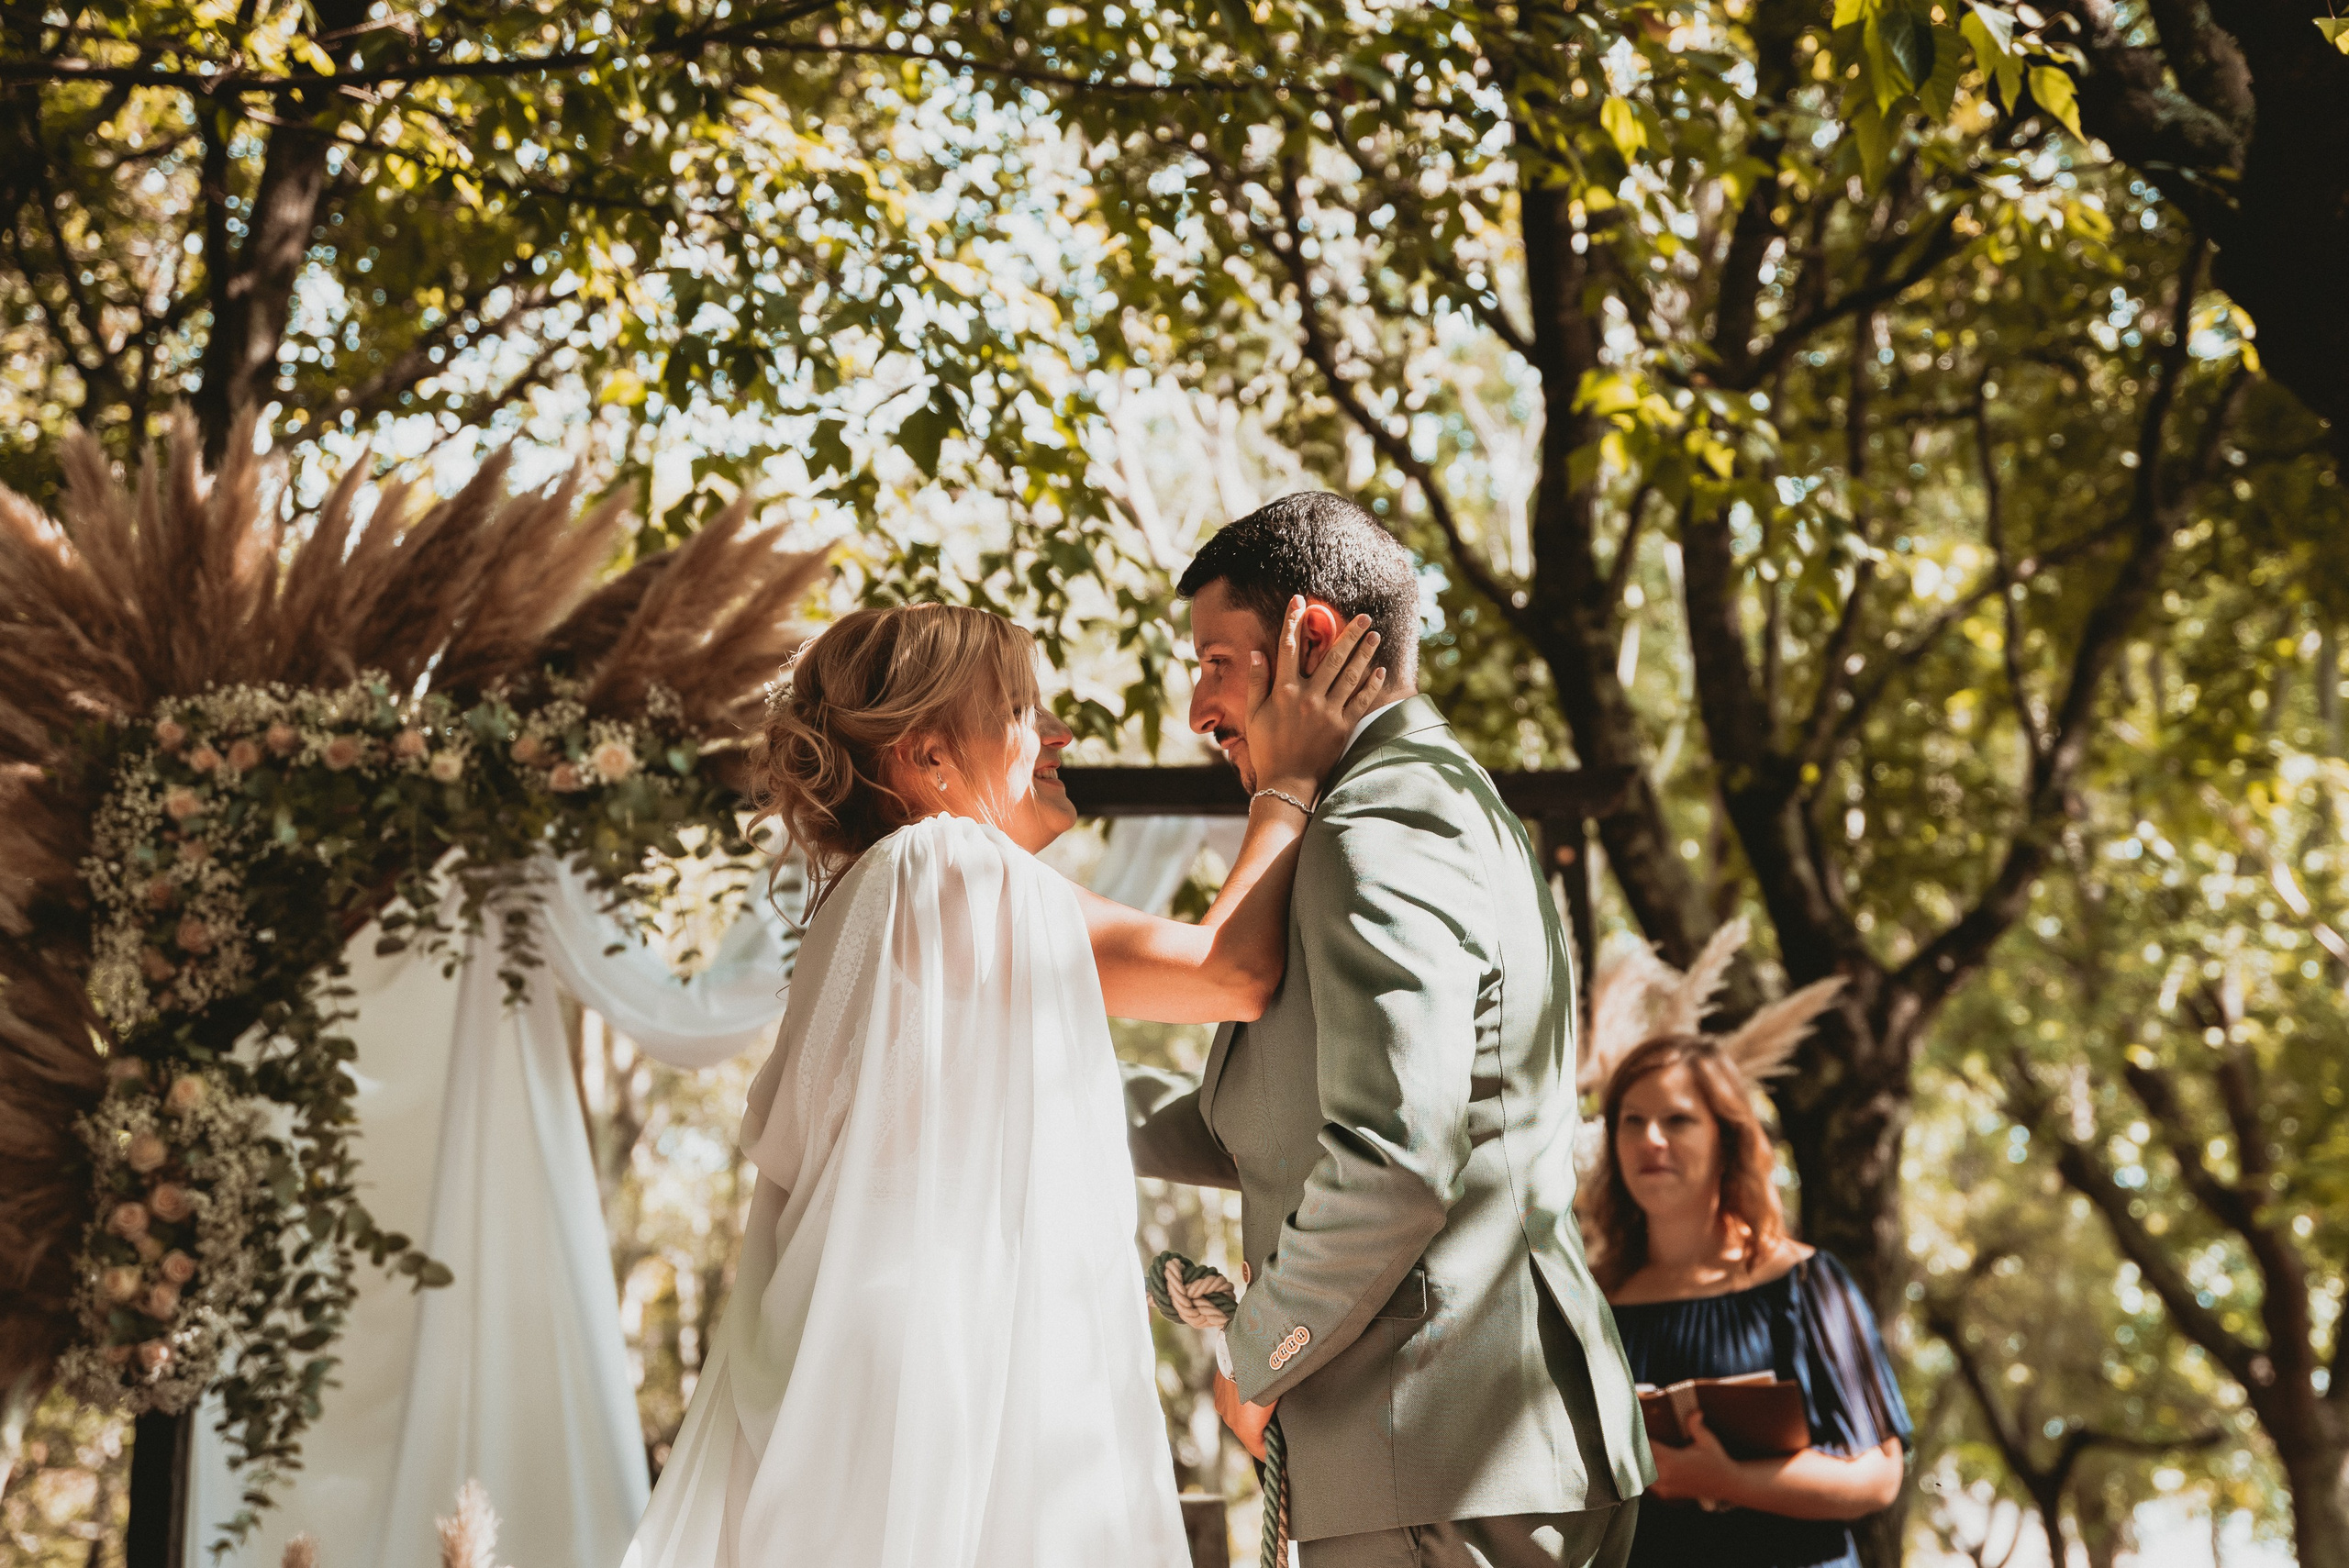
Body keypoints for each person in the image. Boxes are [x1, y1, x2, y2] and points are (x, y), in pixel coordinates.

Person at [623, 596, 1387, 1568]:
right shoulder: (942, 864)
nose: (1060, 731)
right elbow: (1227, 972)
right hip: (938, 1400)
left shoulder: (888, 900)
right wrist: (1288, 778)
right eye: (1024, 708)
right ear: (929, 756)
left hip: (865, 1383)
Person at [1126, 492, 1653, 1568]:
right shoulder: (1433, 797)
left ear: (1308, 638)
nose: (1198, 709)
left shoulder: (1380, 822)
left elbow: (1395, 1162)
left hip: (1435, 1459)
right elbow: (1280, 1112)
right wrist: (1025, 1084)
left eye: (1215, 661)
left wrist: (1252, 1348)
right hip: (1461, 1463)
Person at [1576, 925, 1910, 1568]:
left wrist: (1718, 1479)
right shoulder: (1593, 1298)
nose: (1652, 1139)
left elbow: (1877, 1475)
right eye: (1633, 1120)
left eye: (1677, 1119)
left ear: (1726, 1140)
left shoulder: (1807, 1283)